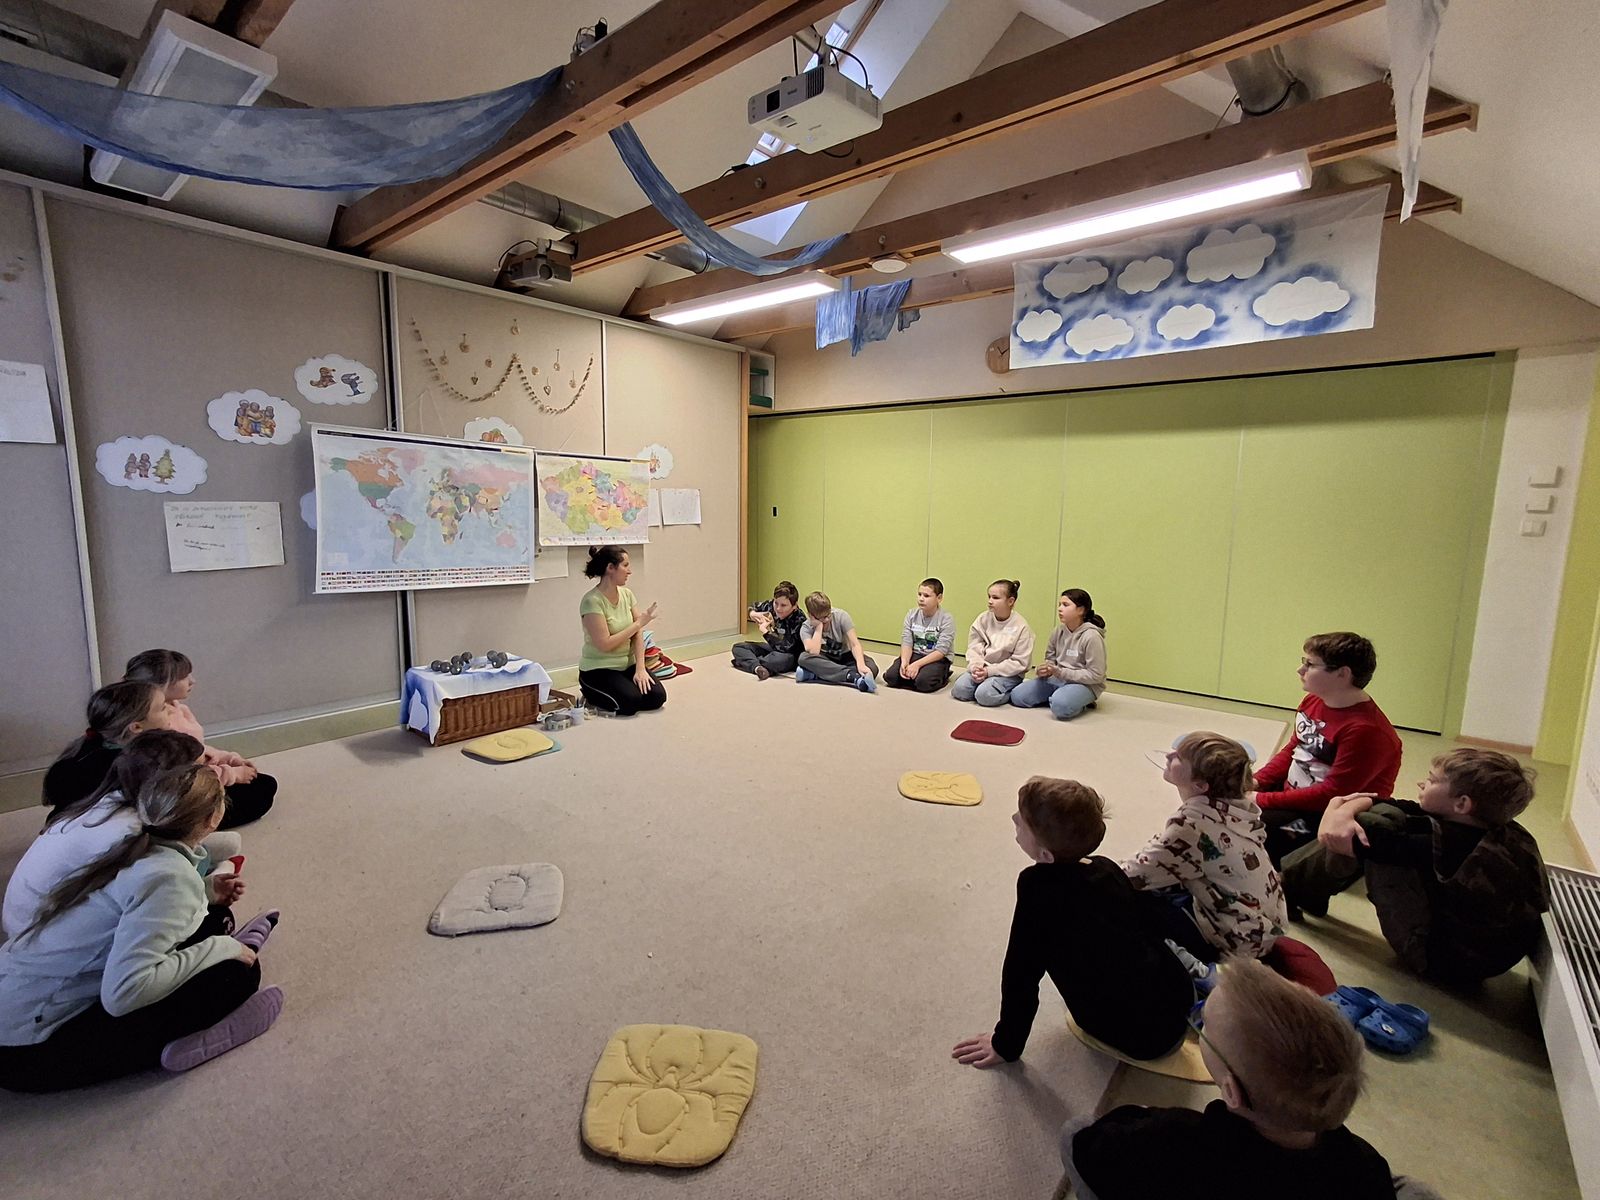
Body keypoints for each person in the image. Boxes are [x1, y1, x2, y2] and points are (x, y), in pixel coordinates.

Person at [0, 764, 283, 1091]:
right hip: (25, 1050)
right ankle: (188, 1041)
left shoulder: (134, 844)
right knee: (238, 975)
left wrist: (205, 893)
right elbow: (124, 994)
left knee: (214, 918)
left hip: (21, 1002)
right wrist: (221, 947)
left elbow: (132, 912)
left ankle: (221, 949)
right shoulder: (168, 877)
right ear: (213, 819)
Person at [1061, 956, 1394, 1200]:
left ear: (1232, 1092)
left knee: (1074, 1129)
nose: (1200, 1027)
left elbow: (1092, 1147)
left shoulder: (1172, 1141)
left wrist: (1139, 1117)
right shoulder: (1366, 1166)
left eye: (1203, 1024)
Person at [952, 777, 1193, 1067]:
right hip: (1178, 1003)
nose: (1013, 818)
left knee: (1053, 948)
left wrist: (1006, 1044)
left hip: (1139, 1037)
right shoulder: (1105, 866)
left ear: (1045, 855)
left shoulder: (1037, 888)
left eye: (1022, 823)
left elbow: (1021, 971)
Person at [1282, 750, 1547, 982]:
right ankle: (1301, 888)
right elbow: (1393, 803)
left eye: (1431, 780)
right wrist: (1342, 811)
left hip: (1438, 961)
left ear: (1462, 803)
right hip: (1482, 960)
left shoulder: (1446, 844)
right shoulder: (1498, 828)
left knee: (1369, 827)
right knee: (1383, 819)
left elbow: (1339, 837)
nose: (1422, 783)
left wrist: (1335, 810)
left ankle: (1287, 888)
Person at [4, 730, 244, 939]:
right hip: (46, 931)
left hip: (28, 918)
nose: (211, 773)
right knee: (215, 921)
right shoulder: (132, 833)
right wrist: (204, 892)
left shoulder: (113, 800)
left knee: (228, 844)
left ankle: (212, 869)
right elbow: (157, 899)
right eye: (199, 770)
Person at [1122, 733, 1285, 962]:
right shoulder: (1237, 809)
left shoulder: (1192, 825)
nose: (1169, 755)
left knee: (1125, 898)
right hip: (1262, 927)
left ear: (1200, 785)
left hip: (1235, 943)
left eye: (1179, 757)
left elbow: (1133, 874)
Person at [1251, 633, 1402, 864]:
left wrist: (1261, 799)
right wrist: (1256, 781)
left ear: (1343, 674)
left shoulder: (1367, 731)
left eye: (1310, 664)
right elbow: (1294, 749)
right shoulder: (1314, 700)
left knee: (1258, 836)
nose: (1300, 670)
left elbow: (1331, 794)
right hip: (1295, 794)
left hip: (1321, 813)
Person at [125, 649, 276, 828]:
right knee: (261, 793)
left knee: (264, 783)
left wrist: (229, 759)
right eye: (184, 677)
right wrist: (232, 774)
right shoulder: (159, 725)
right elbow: (187, 776)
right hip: (185, 790)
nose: (192, 681)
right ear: (160, 686)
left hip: (201, 773)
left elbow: (198, 749)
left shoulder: (176, 708)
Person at [41, 681, 173, 824]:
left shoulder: (90, 748)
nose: (171, 710)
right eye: (163, 708)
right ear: (136, 727)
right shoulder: (131, 767)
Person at [577, 545, 666, 716]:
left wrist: (640, 668)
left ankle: (623, 689)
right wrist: (638, 624)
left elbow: (637, 634)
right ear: (610, 568)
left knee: (657, 697)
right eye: (625, 565)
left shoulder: (627, 594)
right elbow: (605, 644)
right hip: (598, 669)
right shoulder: (591, 601)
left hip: (626, 666)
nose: (629, 571)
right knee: (630, 703)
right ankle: (590, 692)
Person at [1009, 588, 1106, 720]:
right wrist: (1046, 669)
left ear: (1081, 610)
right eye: (1059, 604)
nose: (1060, 609)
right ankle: (1059, 697)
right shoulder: (1058, 631)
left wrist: (1061, 672)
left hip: (1084, 684)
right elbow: (1050, 658)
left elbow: (1096, 675)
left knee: (1061, 707)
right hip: (1057, 678)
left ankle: (1079, 701)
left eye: (1065, 605)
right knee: (1018, 696)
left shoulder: (1092, 636)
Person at [950, 579, 1034, 707]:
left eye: (995, 598)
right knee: (960, 690)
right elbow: (974, 646)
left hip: (1007, 674)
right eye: (989, 596)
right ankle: (985, 684)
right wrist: (976, 666)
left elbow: (1020, 662)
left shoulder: (1021, 627)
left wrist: (990, 671)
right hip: (982, 667)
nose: (990, 601)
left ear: (1010, 601)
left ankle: (1009, 692)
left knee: (984, 696)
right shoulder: (983, 619)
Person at [795, 591, 879, 691]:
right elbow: (814, 652)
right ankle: (851, 676)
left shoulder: (841, 616)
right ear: (811, 616)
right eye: (822, 618)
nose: (827, 620)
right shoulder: (806, 627)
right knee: (803, 658)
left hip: (845, 656)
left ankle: (817, 675)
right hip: (825, 659)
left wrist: (861, 665)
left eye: (828, 615)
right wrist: (818, 627)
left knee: (872, 667)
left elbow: (854, 644)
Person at [882, 578, 955, 692]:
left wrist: (917, 665)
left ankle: (942, 674)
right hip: (916, 653)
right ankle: (915, 676)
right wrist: (905, 662)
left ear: (939, 598)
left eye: (926, 596)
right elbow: (907, 642)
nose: (921, 599)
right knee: (891, 677)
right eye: (919, 594)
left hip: (936, 658)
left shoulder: (946, 619)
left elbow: (941, 651)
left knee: (923, 683)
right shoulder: (911, 614)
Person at [731, 580, 804, 680]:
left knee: (777, 660)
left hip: (788, 655)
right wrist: (752, 614)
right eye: (776, 603)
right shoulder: (771, 606)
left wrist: (766, 632)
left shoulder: (799, 619)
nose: (778, 609)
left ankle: (748, 662)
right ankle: (758, 667)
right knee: (739, 647)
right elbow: (752, 606)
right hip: (772, 648)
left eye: (783, 605)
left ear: (794, 606)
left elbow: (786, 647)